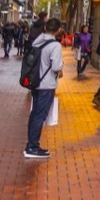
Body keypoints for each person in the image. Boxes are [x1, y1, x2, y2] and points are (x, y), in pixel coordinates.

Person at [24, 18, 64, 159]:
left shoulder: (38, 40)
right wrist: (61, 69)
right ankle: (33, 147)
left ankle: (31, 144)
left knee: (35, 114)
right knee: (40, 115)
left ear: (46, 28)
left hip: (36, 82)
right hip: (46, 84)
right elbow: (56, 67)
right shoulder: (55, 46)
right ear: (58, 30)